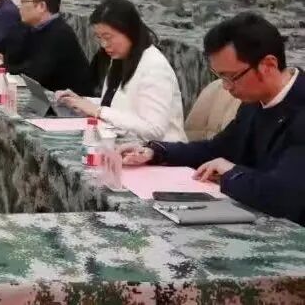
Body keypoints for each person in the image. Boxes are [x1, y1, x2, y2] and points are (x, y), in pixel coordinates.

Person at [119, 13, 305, 225]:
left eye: (231, 77)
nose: (225, 87)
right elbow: (218, 149)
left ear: (268, 65)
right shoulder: (254, 102)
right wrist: (156, 151)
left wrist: (231, 172)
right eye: (220, 77)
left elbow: (283, 196)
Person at [58, 0, 186, 142]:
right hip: (124, 144)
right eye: (99, 37)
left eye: (108, 37)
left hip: (160, 151)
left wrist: (98, 111)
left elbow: (154, 131)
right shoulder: (120, 58)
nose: (104, 44)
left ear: (129, 31)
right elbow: (117, 107)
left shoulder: (155, 67)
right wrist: (79, 102)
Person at [0, 0, 94, 95]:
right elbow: (18, 58)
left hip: (72, 101)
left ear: (41, 6)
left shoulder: (60, 33)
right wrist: (1, 58)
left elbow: (36, 73)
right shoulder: (31, 27)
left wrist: (2, 68)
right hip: (45, 97)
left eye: (24, 2)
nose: (20, 7)